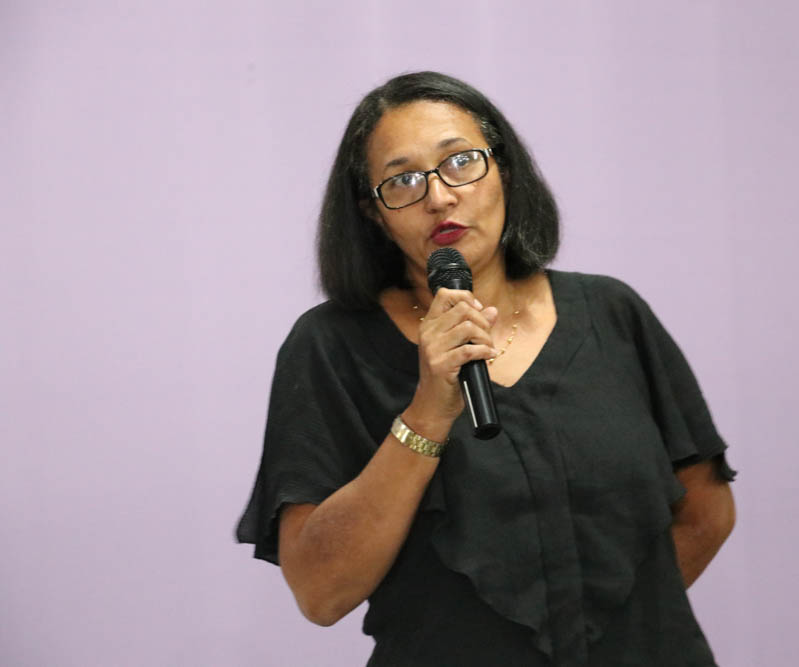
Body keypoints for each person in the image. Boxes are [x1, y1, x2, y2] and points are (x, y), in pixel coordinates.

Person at [236, 71, 736, 666]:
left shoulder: (612, 312)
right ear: (373, 213)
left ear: (505, 170)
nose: (439, 197)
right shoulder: (331, 347)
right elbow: (320, 591)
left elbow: (706, 513)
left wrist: (594, 636)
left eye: (460, 162)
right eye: (403, 180)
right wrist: (427, 411)